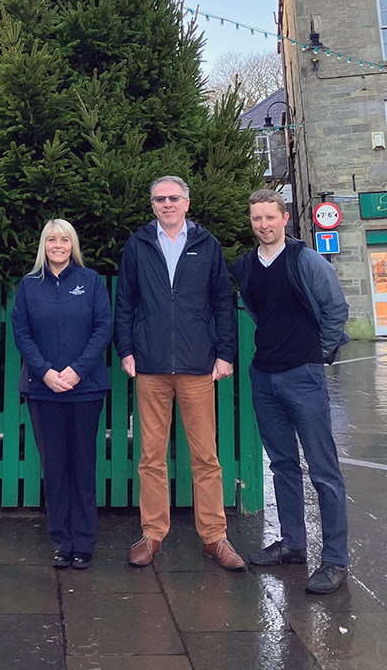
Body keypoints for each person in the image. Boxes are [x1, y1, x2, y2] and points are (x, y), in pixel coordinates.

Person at [113, 175, 245, 571]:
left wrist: (225, 354)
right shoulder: (138, 245)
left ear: (187, 203)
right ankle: (152, 532)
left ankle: (215, 537)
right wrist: (126, 349)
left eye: (173, 198)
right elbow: (125, 301)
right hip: (151, 365)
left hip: (197, 365)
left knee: (206, 456)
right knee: (151, 457)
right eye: (159, 199)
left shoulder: (207, 245)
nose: (167, 204)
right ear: (152, 205)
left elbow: (223, 302)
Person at [230, 189, 350, 594]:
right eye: (256, 219)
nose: (263, 224)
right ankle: (293, 544)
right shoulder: (247, 266)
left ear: (285, 218)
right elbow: (255, 310)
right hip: (264, 376)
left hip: (304, 375)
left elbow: (335, 308)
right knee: (282, 465)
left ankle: (334, 560)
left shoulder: (305, 259)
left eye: (270, 217)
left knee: (323, 470)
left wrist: (321, 355)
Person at [12, 219, 112, 570]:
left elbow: (102, 329)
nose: (58, 245)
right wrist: (46, 373)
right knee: (54, 468)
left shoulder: (91, 281)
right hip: (44, 391)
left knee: (83, 466)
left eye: (65, 239)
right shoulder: (29, 285)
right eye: (52, 239)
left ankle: (84, 543)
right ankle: (61, 542)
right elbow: (21, 333)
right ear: (44, 245)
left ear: (73, 244)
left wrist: (76, 371)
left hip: (86, 390)